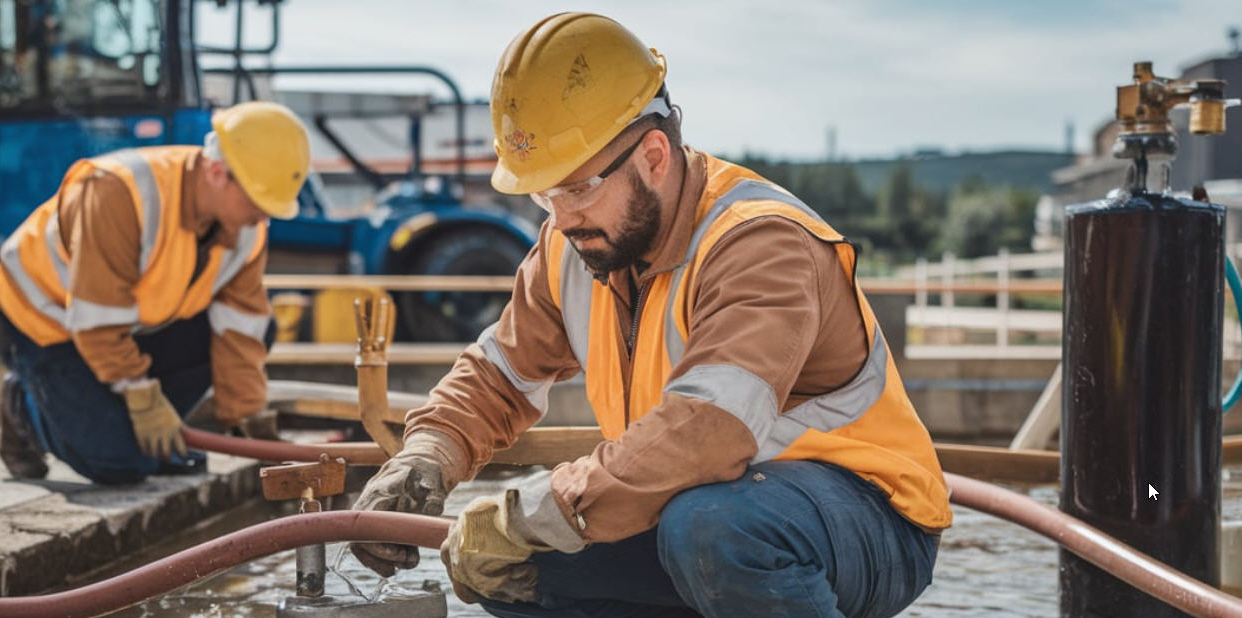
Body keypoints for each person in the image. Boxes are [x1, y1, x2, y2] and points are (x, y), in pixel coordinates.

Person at [351, 12, 951, 618]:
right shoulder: (577, 244)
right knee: (508, 567)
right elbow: (499, 376)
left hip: (862, 516)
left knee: (714, 529)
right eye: (544, 194)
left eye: (578, 187)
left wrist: (534, 513)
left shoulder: (761, 243)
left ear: (655, 156)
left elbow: (706, 432)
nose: (560, 217)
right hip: (700, 504)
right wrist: (427, 454)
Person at [0, 101, 309, 484]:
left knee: (262, 330)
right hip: (38, 320)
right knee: (117, 464)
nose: (263, 217)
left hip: (118, 327)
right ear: (216, 172)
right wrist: (142, 398)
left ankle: (125, 430)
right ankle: (22, 406)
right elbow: (97, 322)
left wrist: (245, 417)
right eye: (257, 203)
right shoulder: (119, 192)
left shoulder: (245, 228)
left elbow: (241, 328)